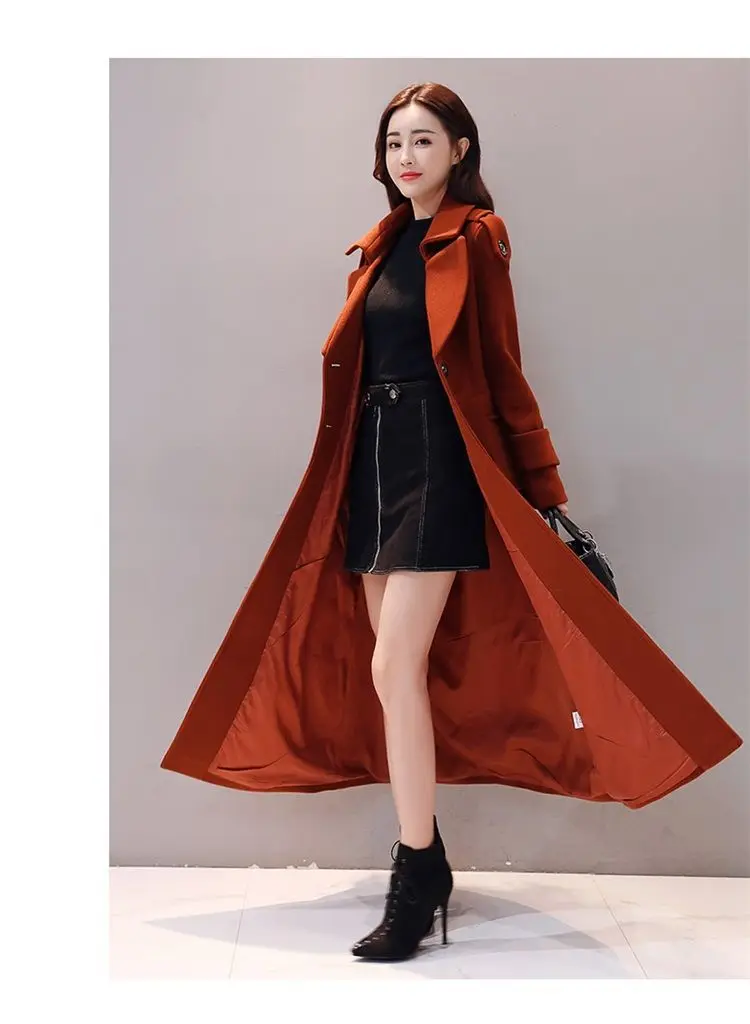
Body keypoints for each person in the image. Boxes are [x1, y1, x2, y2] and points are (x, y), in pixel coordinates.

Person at [343, 83, 568, 963]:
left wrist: (543, 486)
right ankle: (426, 856)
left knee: (393, 664)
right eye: (394, 142)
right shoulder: (381, 243)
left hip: (439, 461)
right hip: (372, 462)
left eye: (424, 141)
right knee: (391, 675)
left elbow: (504, 367)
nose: (406, 157)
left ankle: (414, 869)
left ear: (460, 150)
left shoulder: (477, 238)